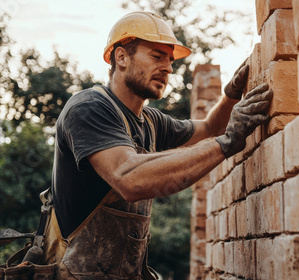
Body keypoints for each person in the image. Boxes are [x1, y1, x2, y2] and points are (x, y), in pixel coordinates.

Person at [42, 11, 273, 279]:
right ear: (121, 57)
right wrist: (228, 142)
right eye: (156, 56)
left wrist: (232, 94)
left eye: (170, 60)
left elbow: (210, 129)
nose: (168, 68)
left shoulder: (150, 121)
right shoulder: (89, 109)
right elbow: (129, 177)